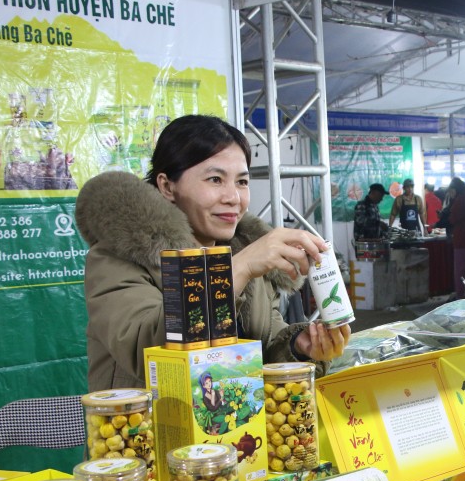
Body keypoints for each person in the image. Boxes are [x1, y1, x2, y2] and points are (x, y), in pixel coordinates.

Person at [76, 114, 350, 391]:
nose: (233, 198)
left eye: (242, 182)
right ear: (167, 186)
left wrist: (298, 346)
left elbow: (262, 346)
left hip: (239, 416)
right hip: (156, 417)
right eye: (215, 179)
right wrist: (236, 270)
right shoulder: (117, 258)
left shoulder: (244, 253)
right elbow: (146, 352)